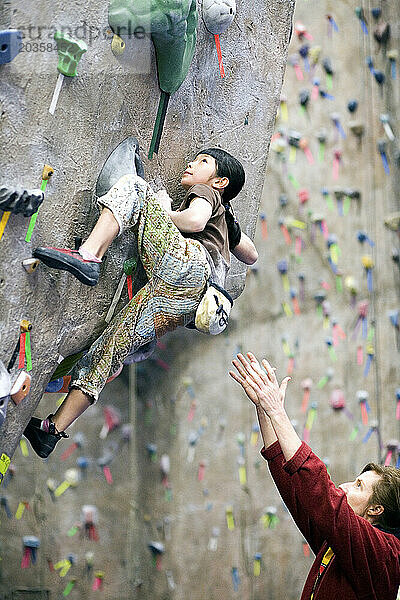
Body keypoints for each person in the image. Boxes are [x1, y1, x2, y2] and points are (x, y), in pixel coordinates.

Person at [23, 141, 258, 458]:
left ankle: (89, 254)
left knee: (135, 188)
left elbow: (194, 222)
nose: (190, 164)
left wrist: (163, 209)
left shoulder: (207, 193)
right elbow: (252, 255)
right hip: (189, 303)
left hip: (186, 266)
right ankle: (51, 430)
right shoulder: (225, 220)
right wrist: (230, 227)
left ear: (220, 182)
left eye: (201, 161)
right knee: (108, 351)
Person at [230, 352, 400, 600]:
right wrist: (264, 409)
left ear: (376, 509)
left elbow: (321, 489)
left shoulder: (384, 553)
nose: (344, 487)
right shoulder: (340, 543)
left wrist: (278, 412)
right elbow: (297, 490)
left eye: (358, 486)